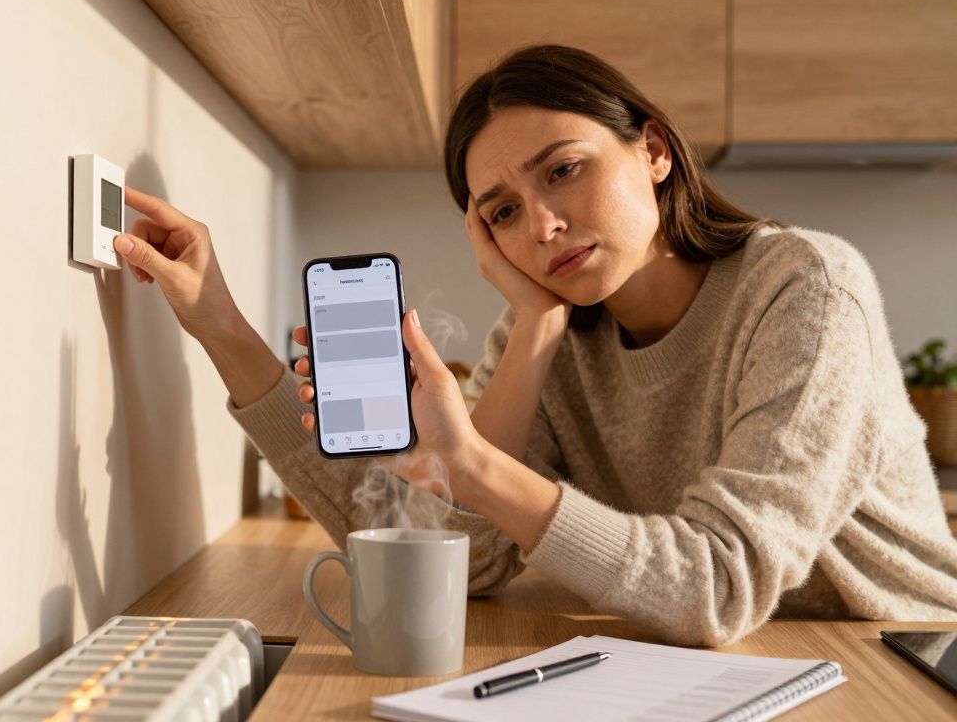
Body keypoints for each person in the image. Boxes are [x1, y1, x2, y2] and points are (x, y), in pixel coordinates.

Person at [111, 44, 957, 646]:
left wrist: (471, 461)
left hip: (891, 650)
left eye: (563, 170)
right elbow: (468, 564)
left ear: (653, 150)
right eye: (504, 211)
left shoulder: (802, 287)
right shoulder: (543, 328)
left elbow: (718, 586)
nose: (544, 224)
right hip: (731, 661)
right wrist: (220, 322)